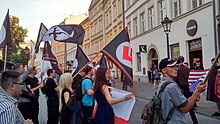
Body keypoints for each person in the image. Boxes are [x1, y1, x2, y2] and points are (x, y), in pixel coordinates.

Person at [158, 58, 206, 123]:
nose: (176, 68)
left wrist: (193, 98)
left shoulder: (162, 84)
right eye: (172, 67)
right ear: (164, 70)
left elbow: (179, 103)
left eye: (176, 66)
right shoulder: (172, 86)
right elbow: (184, 109)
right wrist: (197, 92)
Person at [13, 53, 36, 120]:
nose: (24, 69)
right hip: (24, 104)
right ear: (18, 69)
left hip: (23, 103)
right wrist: (32, 58)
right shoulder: (19, 78)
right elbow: (30, 69)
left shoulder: (16, 78)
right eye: (22, 67)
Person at [176, 56, 198, 124]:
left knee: (179, 104)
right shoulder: (187, 69)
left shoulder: (177, 69)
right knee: (189, 105)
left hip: (180, 87)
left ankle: (179, 120)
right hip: (186, 87)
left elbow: (176, 78)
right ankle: (195, 121)